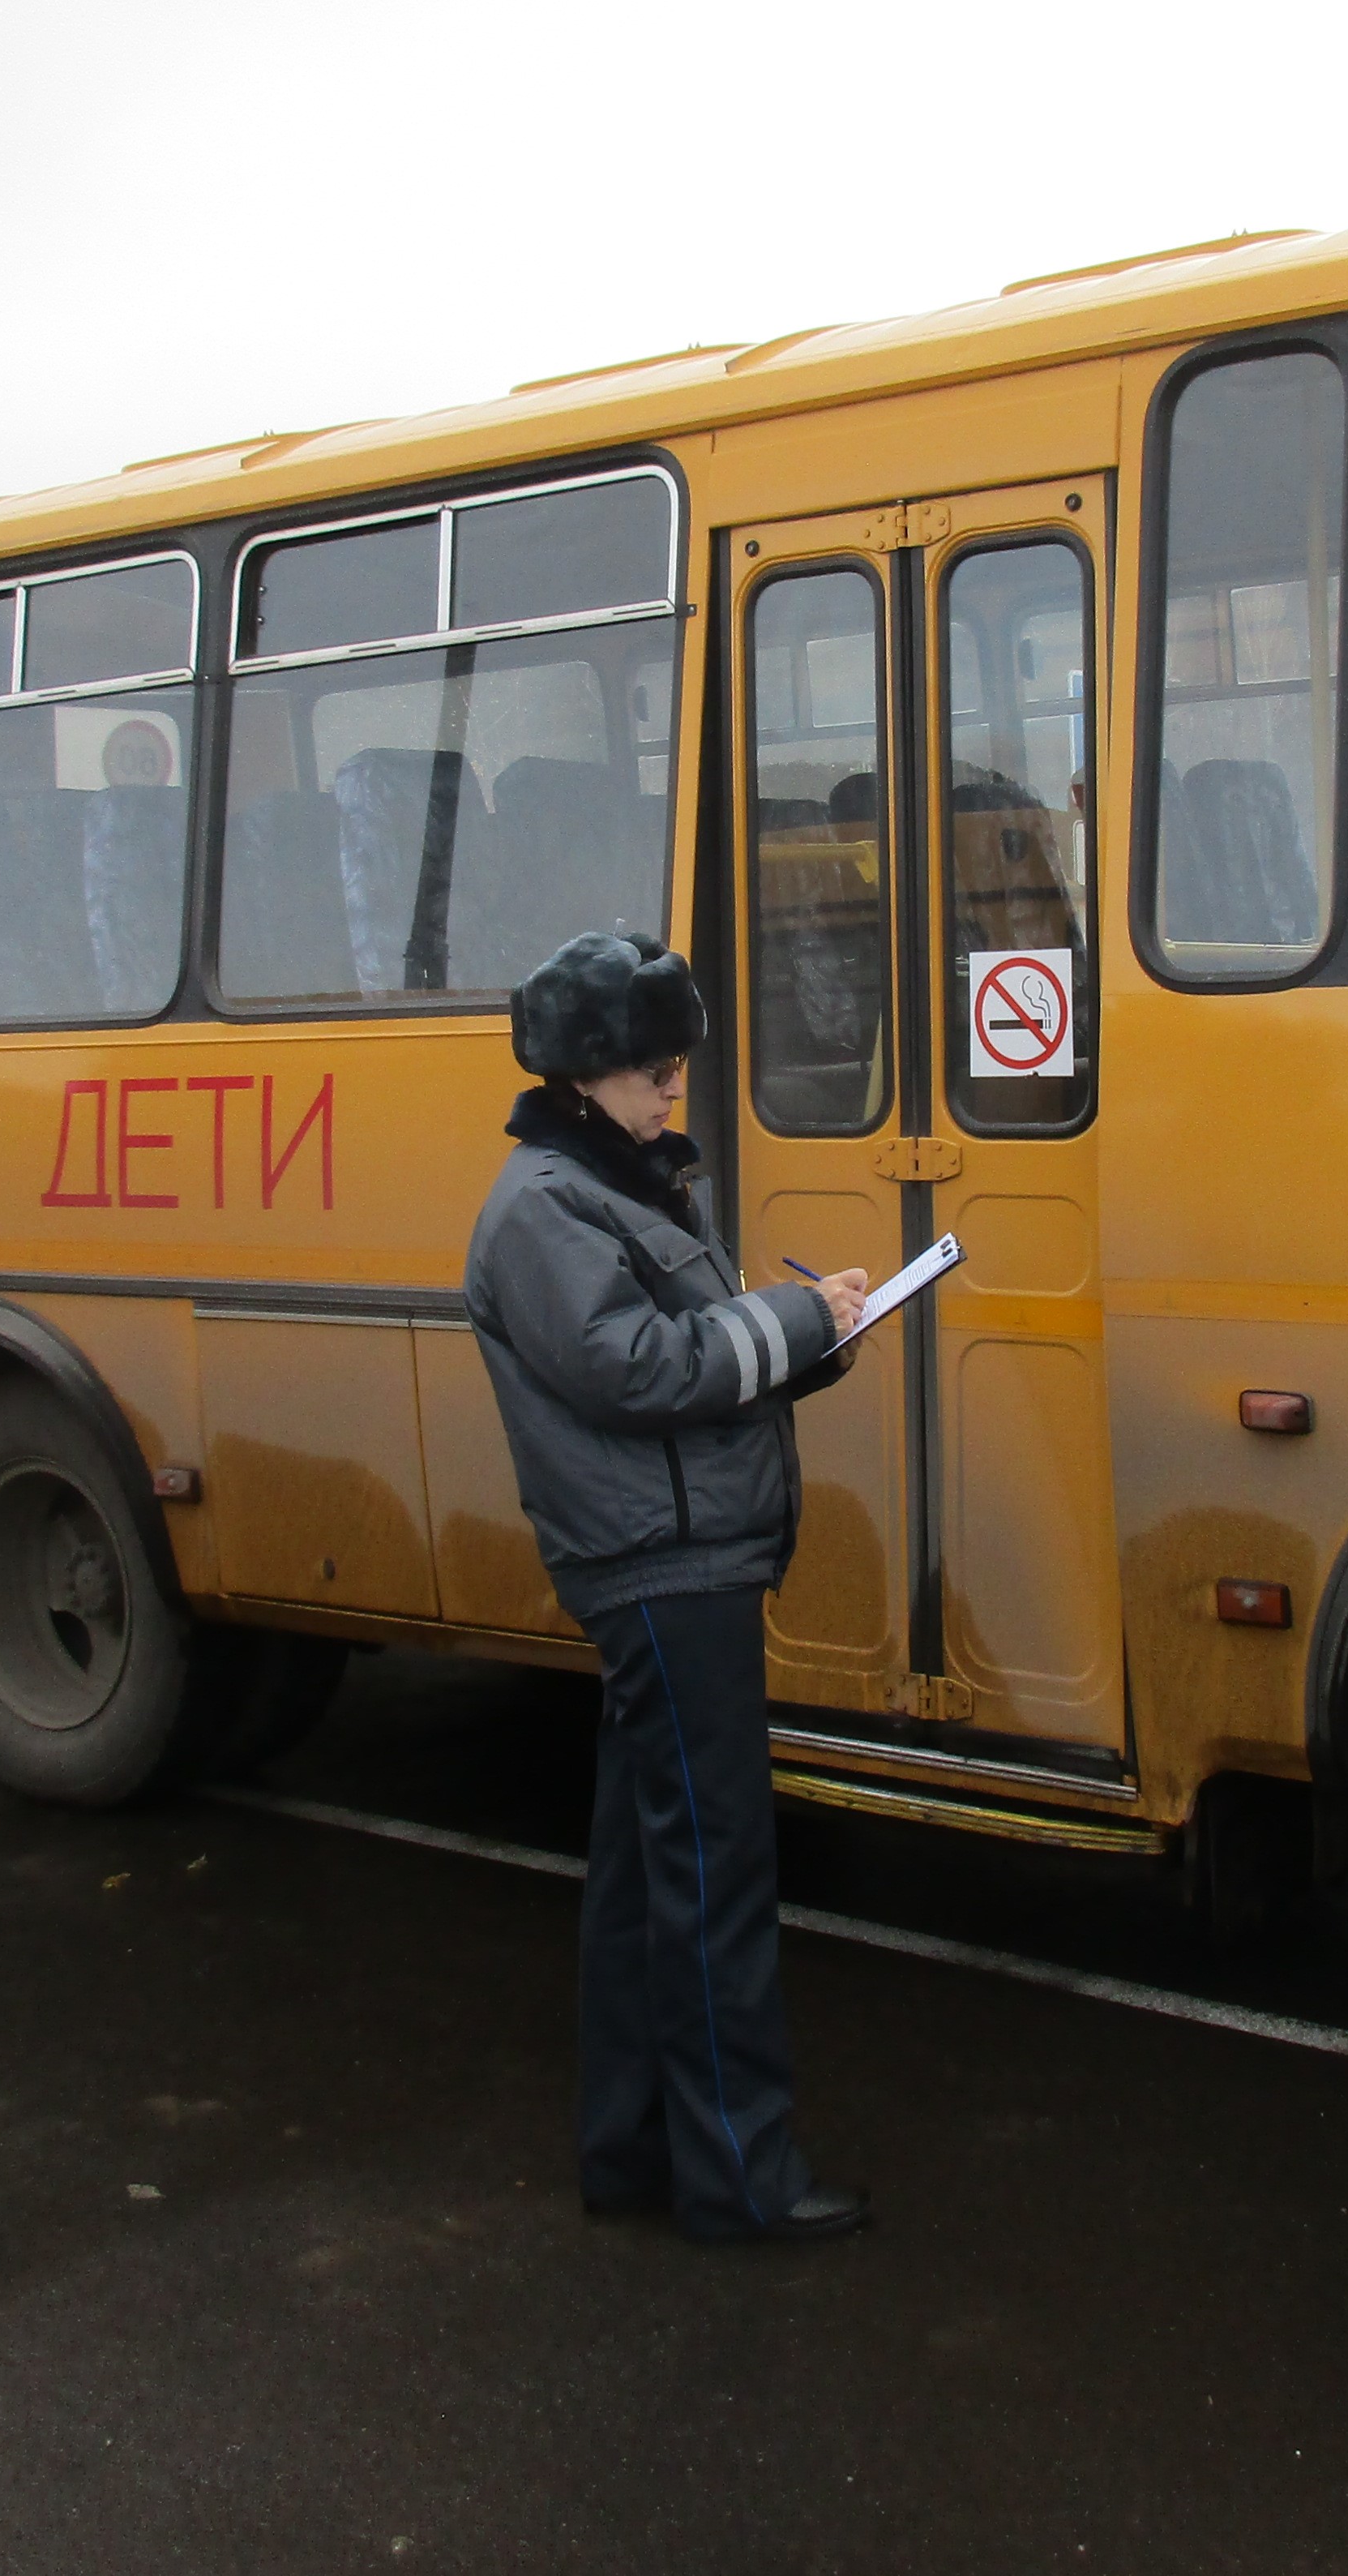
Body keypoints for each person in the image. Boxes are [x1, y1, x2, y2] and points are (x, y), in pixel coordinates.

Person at [462, 929, 876, 2244]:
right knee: (715, 1877)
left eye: (676, 1069)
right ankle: (740, 2181)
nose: (672, 1094)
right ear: (584, 1078)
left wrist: (819, 1336)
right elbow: (638, 1371)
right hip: (660, 1569)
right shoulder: (543, 1206)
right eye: (652, 1075)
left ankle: (634, 2155)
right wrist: (798, 1324)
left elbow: (694, 1359)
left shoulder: (613, 1187)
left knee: (654, 1872)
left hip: (674, 1559)